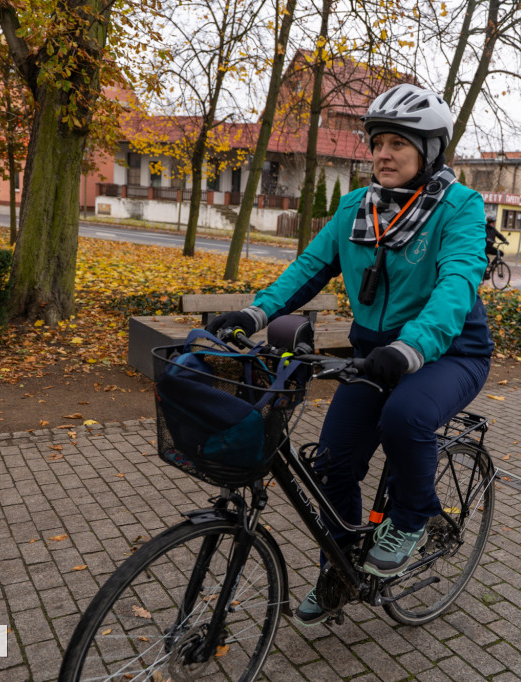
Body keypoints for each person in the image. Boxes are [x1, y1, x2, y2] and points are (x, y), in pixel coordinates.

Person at [204, 84, 494, 627]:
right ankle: (337, 573)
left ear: (430, 151)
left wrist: (410, 348)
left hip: (449, 352)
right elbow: (307, 269)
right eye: (378, 142)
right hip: (373, 356)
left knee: (405, 417)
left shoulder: (460, 206)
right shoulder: (355, 209)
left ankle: (411, 518)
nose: (383, 154)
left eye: (398, 144)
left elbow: (457, 284)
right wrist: (254, 315)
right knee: (331, 464)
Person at [483, 215, 509, 279]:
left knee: (500, 253)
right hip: (484, 247)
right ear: (489, 223)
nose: (494, 224)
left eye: (494, 222)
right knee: (486, 260)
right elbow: (483, 236)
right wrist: (487, 239)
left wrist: (505, 240)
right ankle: (485, 273)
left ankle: (492, 265)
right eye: (493, 223)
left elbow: (499, 235)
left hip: (490, 247)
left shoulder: (493, 229)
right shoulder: (484, 228)